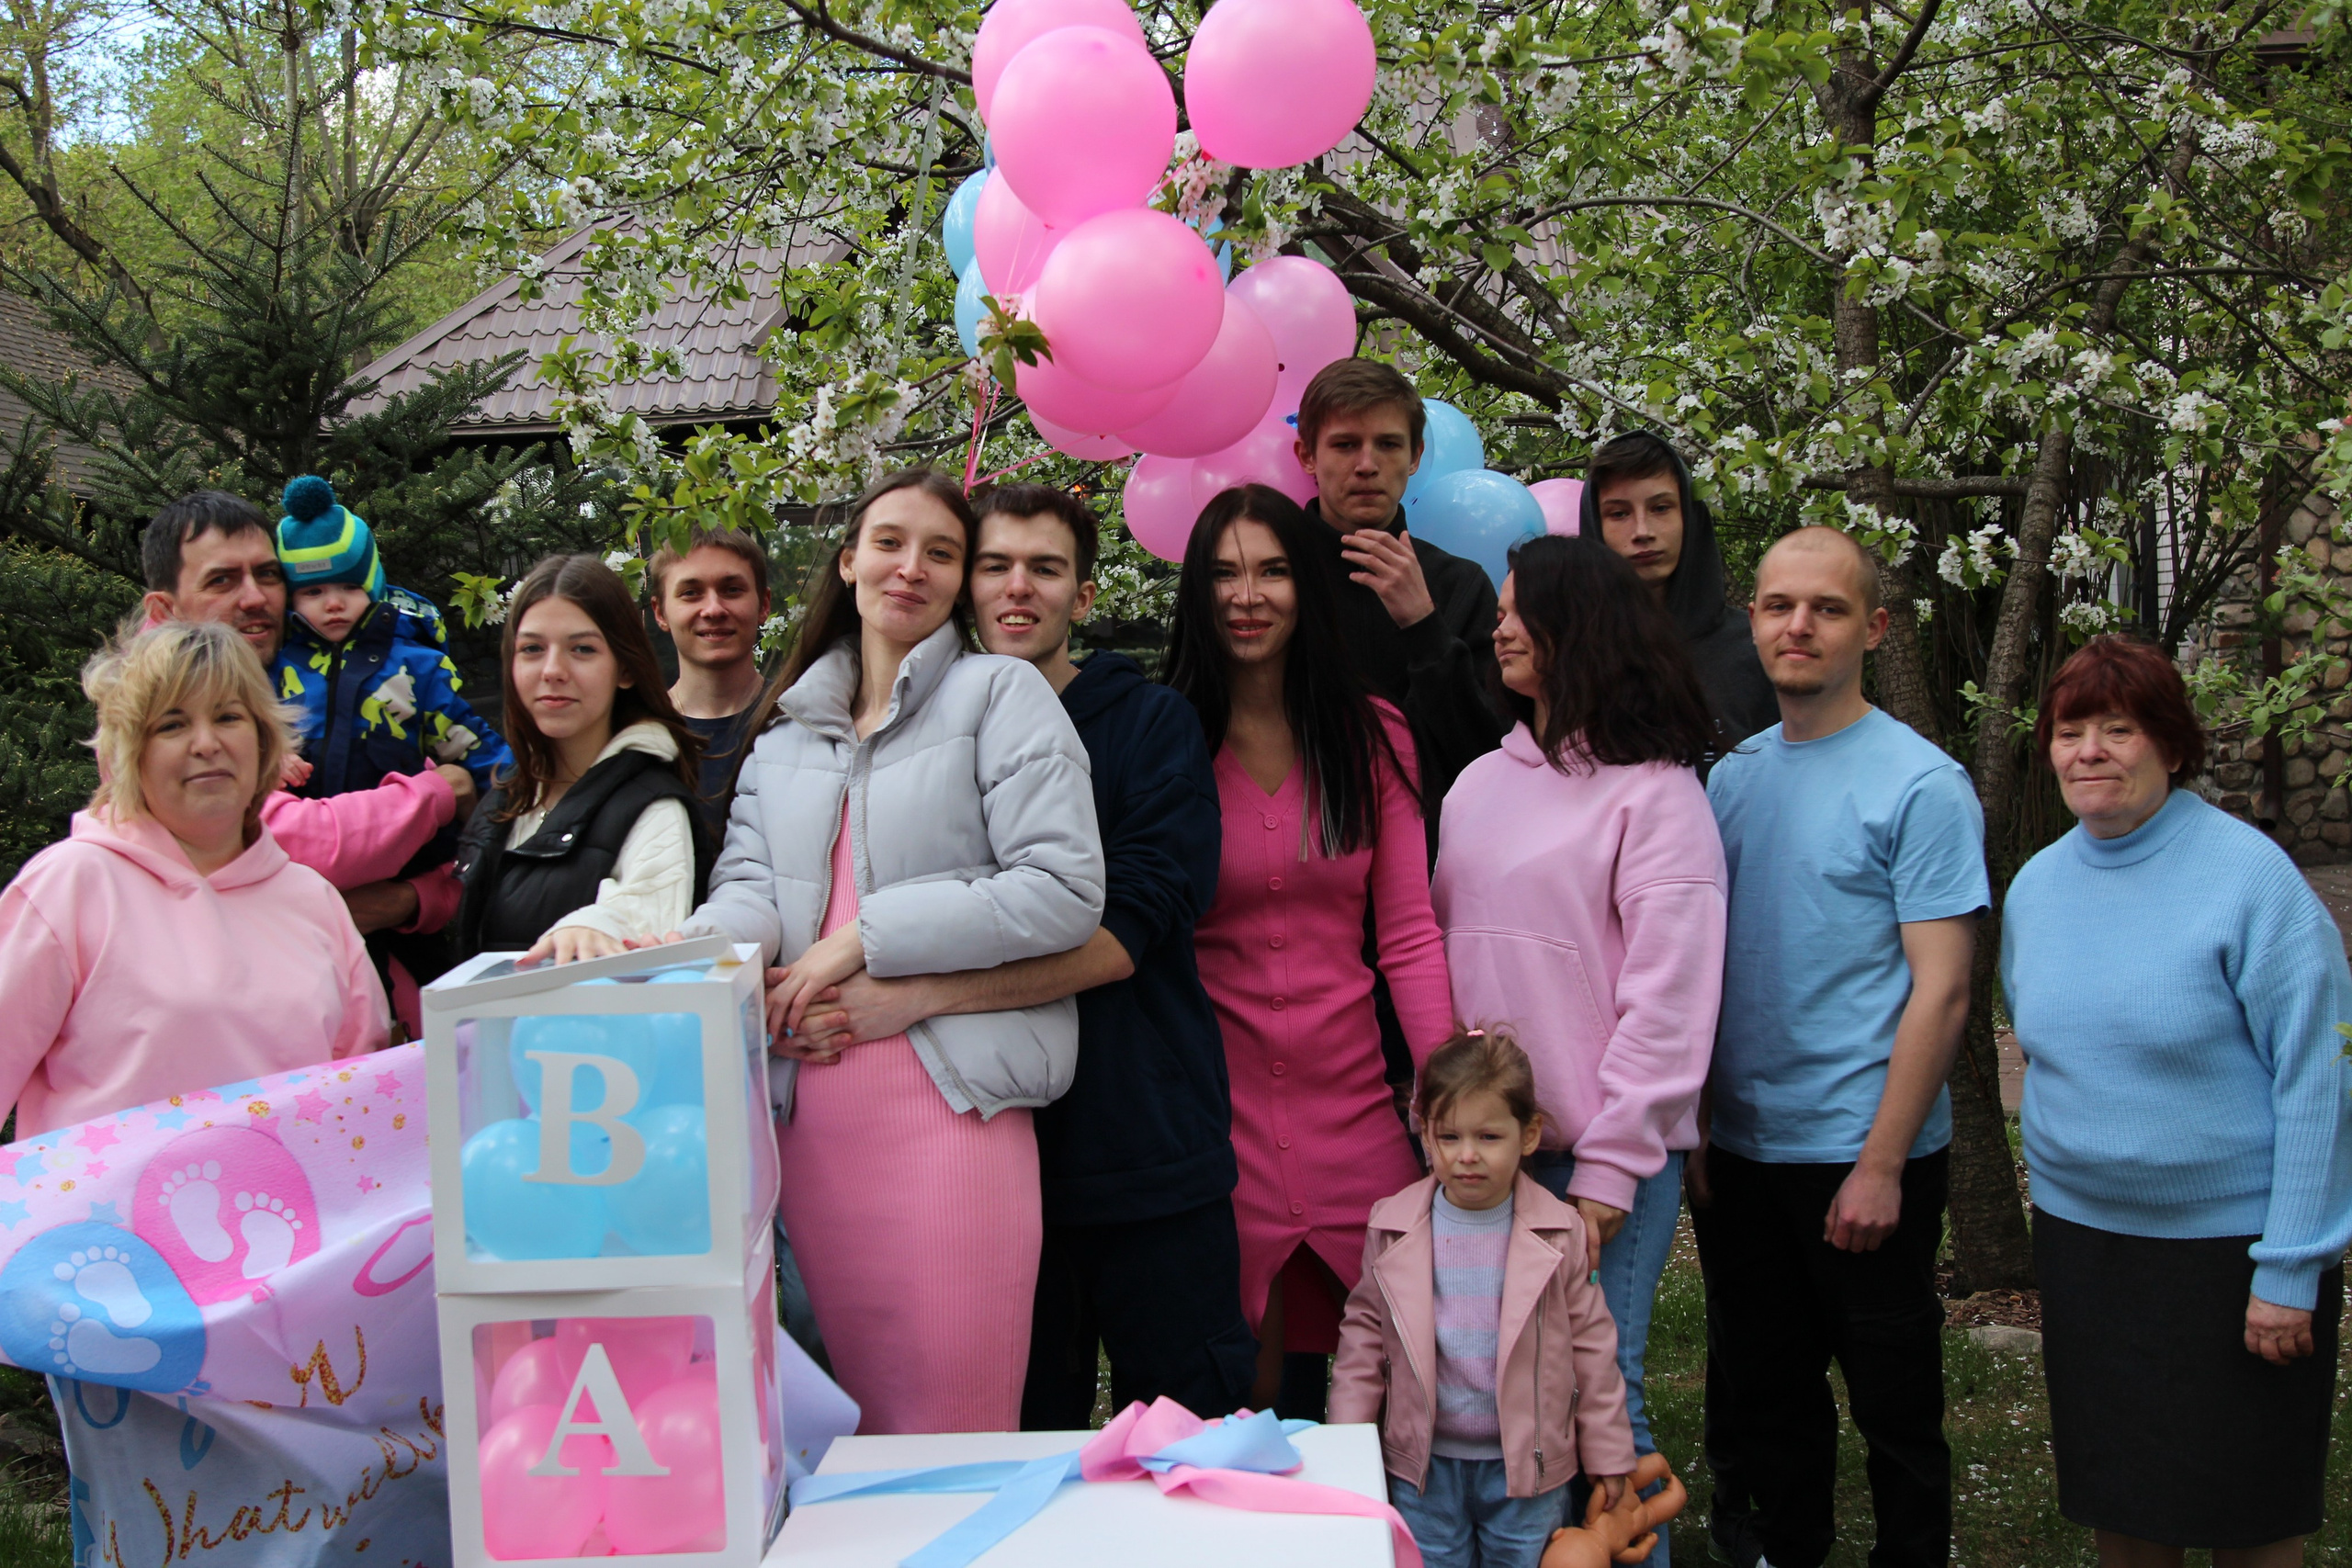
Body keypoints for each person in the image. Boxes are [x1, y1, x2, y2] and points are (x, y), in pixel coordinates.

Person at [794, 481, 1257, 1427]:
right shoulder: (913, 733)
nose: (1017, 590)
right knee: (1018, 1438)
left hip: (1142, 1146)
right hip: (988, 1152)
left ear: (1082, 597)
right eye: (994, 565)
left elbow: (1125, 935)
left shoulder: (1147, 725)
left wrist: (919, 994)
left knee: (1184, 1440)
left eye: (1044, 570)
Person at [678, 468, 1105, 1435]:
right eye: (889, 543)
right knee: (853, 1441)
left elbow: (1065, 893)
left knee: (952, 1430)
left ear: (960, 583)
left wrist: (861, 941)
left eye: (941, 553)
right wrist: (667, 953)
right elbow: (747, 893)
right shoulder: (786, 730)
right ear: (848, 559)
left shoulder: (1000, 695)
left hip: (951, 1110)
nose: (910, 568)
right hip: (809, 1122)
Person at [1999, 637, 2352, 1568]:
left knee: (2247, 1509)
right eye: (2070, 731)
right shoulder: (2035, 889)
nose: (2090, 752)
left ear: (2172, 746)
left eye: (2119, 730)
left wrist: (2290, 1269)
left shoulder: (2253, 883)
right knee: (2123, 1497)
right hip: (2087, 1248)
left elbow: (2319, 1079)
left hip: (2232, 1257)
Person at [1692, 525, 1984, 1568]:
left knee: (1896, 1413)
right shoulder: (1729, 780)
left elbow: (1943, 992)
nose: (1797, 625)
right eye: (1777, 605)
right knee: (1769, 1408)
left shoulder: (1921, 784)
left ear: (1874, 625)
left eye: (1823, 607)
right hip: (1743, 1155)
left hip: (1866, 1155)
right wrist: (1700, 1123)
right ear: (1754, 620)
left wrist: (1878, 1164)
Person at [1431, 534, 1725, 1568]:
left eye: (1520, 611)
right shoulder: (1473, 786)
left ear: (1579, 628)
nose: (1499, 627)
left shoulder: (1658, 797)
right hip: (1483, 1156)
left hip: (1594, 1162)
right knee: (1502, 1406)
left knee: (1603, 1404)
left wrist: (1609, 1166)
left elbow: (1671, 1001)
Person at [1167, 483, 1454, 1417]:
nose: (1247, 596)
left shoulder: (1372, 736)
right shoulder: (1166, 739)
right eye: (1222, 574)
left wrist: (1445, 1085)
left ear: (1307, 587)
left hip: (1354, 1115)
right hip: (1217, 1127)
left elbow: (1407, 934)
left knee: (1393, 1394)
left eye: (1272, 571)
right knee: (1245, 1402)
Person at [0, 618, 388, 1136]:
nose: (206, 743)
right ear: (128, 754)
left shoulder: (314, 900)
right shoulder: (71, 885)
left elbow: (361, 1109)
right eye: (172, 725)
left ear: (263, 740)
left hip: (291, 1214)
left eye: (228, 717)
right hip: (102, 1218)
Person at [141, 490, 473, 1024]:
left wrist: (420, 896)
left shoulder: (311, 673)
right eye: (223, 580)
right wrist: (440, 792)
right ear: (165, 610)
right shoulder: (150, 716)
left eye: (268, 575)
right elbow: (298, 844)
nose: (256, 598)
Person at [1330, 1029, 1637, 1568]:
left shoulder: (1560, 1233)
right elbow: (1362, 1341)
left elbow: (1593, 1350)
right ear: (1425, 1134)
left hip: (1527, 1476)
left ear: (1529, 1134)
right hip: (1424, 1472)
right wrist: (1347, 1444)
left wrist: (1609, 1451)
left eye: (1489, 1137)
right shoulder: (1393, 1227)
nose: (1467, 1156)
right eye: (1449, 1138)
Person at [451, 555, 710, 965]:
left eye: (582, 649)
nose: (553, 670)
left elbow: (645, 922)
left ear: (624, 668)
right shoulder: (507, 797)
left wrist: (596, 925)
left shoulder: (654, 807)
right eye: (533, 649)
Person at [1290, 360, 1506, 829]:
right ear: (1307, 455)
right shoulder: (1269, 577)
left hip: (1433, 861)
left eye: (1387, 445)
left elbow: (1490, 754)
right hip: (1291, 856)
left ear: (1415, 456)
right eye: (1345, 445)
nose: (1367, 465)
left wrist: (1424, 627)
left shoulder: (1458, 584)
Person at [274, 474, 513, 806]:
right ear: (291, 599)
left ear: (374, 586)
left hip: (410, 846)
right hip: (302, 844)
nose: (333, 603)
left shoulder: (418, 667)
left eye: (350, 587)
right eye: (313, 591)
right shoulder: (276, 665)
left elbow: (471, 745)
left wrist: (528, 794)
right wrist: (269, 757)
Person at [1580, 432, 1780, 759]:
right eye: (1619, 514)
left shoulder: (1756, 649)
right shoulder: (1567, 655)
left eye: (1660, 508)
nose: (1642, 531)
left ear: (1689, 515)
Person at [650, 525, 774, 842]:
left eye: (732, 589)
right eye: (691, 593)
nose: (713, 609)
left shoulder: (800, 720)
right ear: (660, 612)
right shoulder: (639, 734)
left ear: (763, 605)